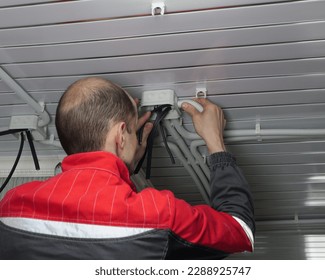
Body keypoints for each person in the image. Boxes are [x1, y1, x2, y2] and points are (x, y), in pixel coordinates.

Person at [0, 77, 254, 259]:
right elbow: (240, 231)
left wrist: (124, 163)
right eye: (132, 131)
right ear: (121, 136)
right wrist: (215, 144)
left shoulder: (11, 206)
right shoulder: (157, 213)